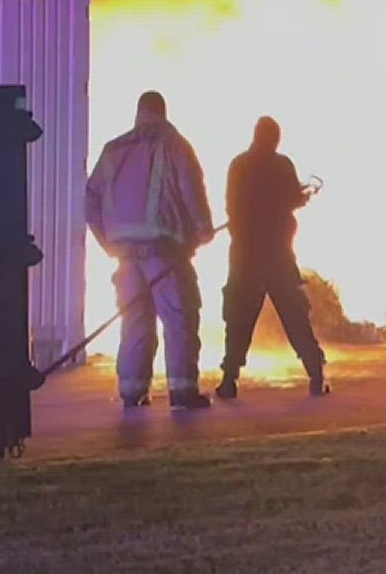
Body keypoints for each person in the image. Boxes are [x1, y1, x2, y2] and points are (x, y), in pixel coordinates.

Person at [84, 91, 216, 410]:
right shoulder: (175, 147)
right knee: (179, 319)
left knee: (135, 322)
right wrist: (203, 229)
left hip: (126, 258)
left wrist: (109, 243)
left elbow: (90, 201)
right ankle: (182, 392)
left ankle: (132, 392)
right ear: (163, 112)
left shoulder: (114, 150)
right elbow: (191, 191)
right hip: (164, 253)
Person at [217, 115, 329, 398]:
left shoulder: (238, 165)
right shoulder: (282, 165)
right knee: (295, 316)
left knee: (239, 319)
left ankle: (229, 380)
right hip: (278, 254)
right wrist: (303, 195)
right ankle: (316, 375)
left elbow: (230, 206)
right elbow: (293, 199)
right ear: (275, 139)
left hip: (244, 254)